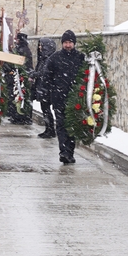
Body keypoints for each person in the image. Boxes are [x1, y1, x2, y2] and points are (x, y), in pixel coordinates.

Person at [44, 30, 86, 164]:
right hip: (59, 98)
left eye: (70, 42)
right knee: (61, 126)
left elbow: (87, 75)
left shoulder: (80, 58)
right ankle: (63, 151)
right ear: (62, 43)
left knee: (72, 126)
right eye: (66, 42)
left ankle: (70, 152)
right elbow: (47, 77)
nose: (68, 45)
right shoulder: (54, 58)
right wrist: (49, 94)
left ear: (74, 43)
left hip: (75, 98)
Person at [33, 36, 58, 138]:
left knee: (46, 109)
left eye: (41, 45)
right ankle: (48, 128)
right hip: (43, 87)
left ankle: (50, 129)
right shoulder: (43, 58)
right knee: (45, 109)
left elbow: (44, 73)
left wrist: (35, 74)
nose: (39, 47)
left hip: (47, 88)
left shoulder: (49, 58)